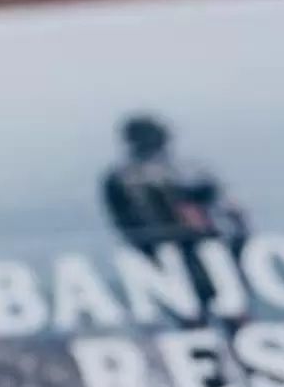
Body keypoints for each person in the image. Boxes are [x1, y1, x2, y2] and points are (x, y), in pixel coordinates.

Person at [100, 113, 248, 316]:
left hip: (173, 254)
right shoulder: (175, 172)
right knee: (218, 314)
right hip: (183, 254)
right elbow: (230, 212)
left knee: (205, 316)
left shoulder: (122, 177)